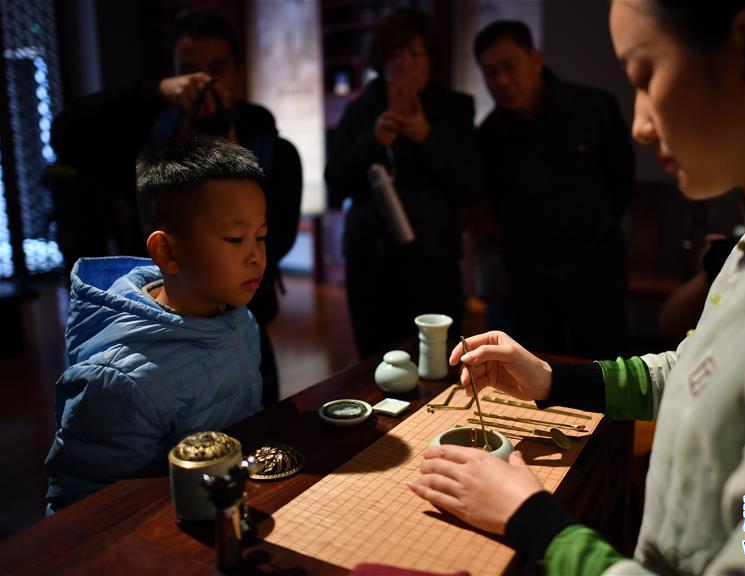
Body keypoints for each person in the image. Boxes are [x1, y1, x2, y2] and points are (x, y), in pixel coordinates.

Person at [410, 1, 745, 573]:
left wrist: (531, 519)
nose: (641, 123)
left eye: (645, 76)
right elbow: (695, 373)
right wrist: (550, 378)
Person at [49, 11, 301, 406]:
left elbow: (281, 237)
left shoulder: (269, 146)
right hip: (160, 326)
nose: (202, 83)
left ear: (238, 72)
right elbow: (66, 131)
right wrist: (157, 91)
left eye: (215, 70)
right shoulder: (151, 143)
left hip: (243, 317)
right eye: (189, 72)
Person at [45, 137, 266, 513]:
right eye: (234, 239)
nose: (256, 256)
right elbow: (83, 511)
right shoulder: (117, 379)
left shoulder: (233, 314)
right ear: (167, 251)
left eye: (261, 237)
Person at [473, 20, 633, 359]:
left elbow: (621, 182)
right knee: (540, 379)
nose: (501, 80)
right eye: (490, 73)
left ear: (535, 59)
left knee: (607, 371)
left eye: (509, 67)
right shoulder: (488, 134)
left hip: (594, 268)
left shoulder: (593, 108)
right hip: (528, 278)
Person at [324, 8, 479, 359]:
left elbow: (469, 185)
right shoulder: (360, 110)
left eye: (414, 53)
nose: (405, 63)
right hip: (371, 261)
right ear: (381, 60)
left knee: (441, 359)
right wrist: (373, 142)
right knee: (377, 362)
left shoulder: (455, 108)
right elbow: (335, 182)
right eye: (395, 54)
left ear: (431, 59)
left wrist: (426, 136)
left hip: (434, 260)